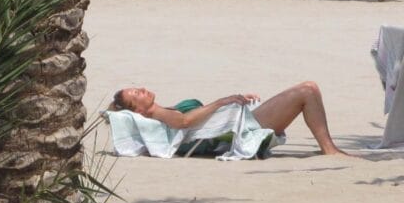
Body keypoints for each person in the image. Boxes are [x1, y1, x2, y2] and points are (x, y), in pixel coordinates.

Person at [110, 81, 349, 156]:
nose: (141, 89)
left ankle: (329, 148)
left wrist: (234, 101)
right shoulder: (157, 114)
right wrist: (222, 102)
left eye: (137, 88)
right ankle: (329, 149)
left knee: (308, 89)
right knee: (307, 91)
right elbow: (184, 123)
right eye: (136, 94)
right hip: (245, 129)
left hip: (239, 121)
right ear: (138, 111)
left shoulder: (163, 111)